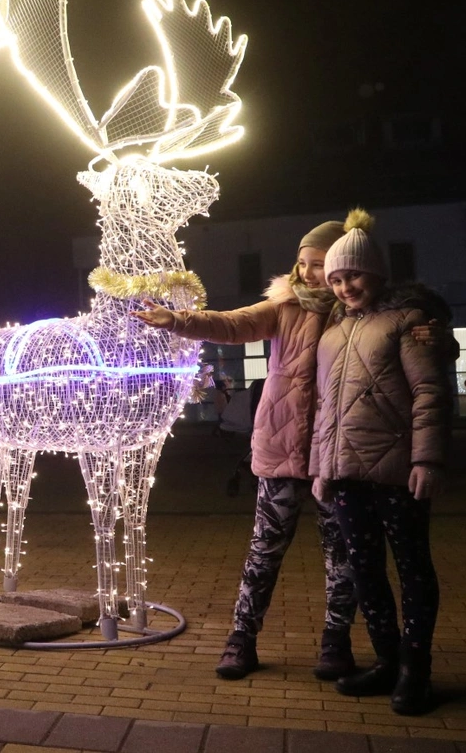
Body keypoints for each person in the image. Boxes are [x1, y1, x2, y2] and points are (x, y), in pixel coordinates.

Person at [135, 218, 359, 681]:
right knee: (264, 552)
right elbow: (234, 323)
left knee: (343, 557)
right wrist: (178, 321)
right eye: (303, 263)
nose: (309, 273)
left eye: (319, 264)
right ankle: (241, 640)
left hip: (336, 456)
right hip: (281, 449)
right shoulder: (285, 306)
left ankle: (336, 644)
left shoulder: (358, 312)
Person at [311, 210, 450, 716]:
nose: (345, 287)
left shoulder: (408, 323)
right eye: (337, 279)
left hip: (397, 472)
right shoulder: (332, 334)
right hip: (346, 475)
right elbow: (325, 407)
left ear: (376, 273)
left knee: (412, 567)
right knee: (365, 570)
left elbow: (429, 393)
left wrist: (426, 459)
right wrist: (320, 468)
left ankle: (416, 670)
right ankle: (388, 660)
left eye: (354, 275)